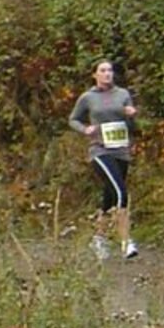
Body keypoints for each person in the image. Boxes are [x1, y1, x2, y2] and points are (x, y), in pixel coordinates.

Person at [68, 59, 140, 260]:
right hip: (100, 150)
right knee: (121, 193)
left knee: (109, 197)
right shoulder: (88, 97)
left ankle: (99, 238)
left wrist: (131, 115)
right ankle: (126, 242)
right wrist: (85, 129)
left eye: (110, 70)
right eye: (103, 70)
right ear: (95, 75)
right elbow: (73, 119)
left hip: (121, 150)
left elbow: (131, 126)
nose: (108, 74)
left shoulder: (123, 94)